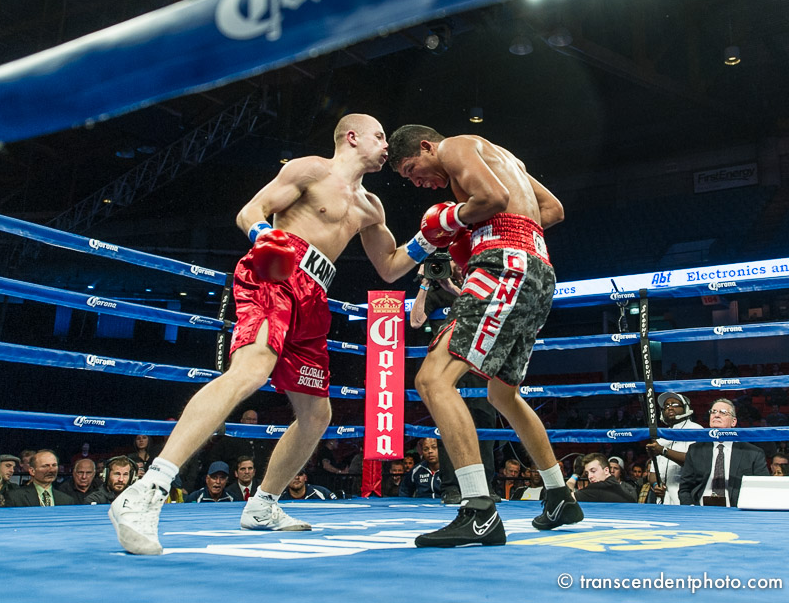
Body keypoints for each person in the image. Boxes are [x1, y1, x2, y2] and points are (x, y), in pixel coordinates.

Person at [110, 114, 427, 555]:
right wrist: (265, 236)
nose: (387, 145)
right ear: (352, 137)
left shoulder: (371, 207)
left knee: (316, 415)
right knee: (251, 370)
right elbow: (249, 212)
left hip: (314, 296)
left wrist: (432, 237)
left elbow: (390, 267)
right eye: (379, 135)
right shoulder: (311, 169)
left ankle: (262, 505)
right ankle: (148, 488)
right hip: (275, 274)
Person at [387, 126, 582, 547]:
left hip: (504, 266)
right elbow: (551, 210)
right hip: (536, 269)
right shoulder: (504, 156)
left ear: (426, 146)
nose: (417, 182)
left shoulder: (455, 146)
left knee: (432, 380)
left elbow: (492, 198)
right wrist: (478, 236)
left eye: (411, 170)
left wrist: (458, 224)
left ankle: (478, 510)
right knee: (502, 394)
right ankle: (559, 496)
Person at [410, 258, 499, 504]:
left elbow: (486, 312)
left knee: (484, 423)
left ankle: (485, 486)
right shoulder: (435, 293)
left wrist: (452, 288)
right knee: (448, 424)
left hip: (477, 363)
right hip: (446, 366)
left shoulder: (479, 286)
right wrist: (425, 283)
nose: (455, 267)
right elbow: (416, 321)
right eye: (450, 263)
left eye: (458, 262)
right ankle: (451, 487)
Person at [678, 399, 769, 506]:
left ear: (733, 422)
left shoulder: (753, 453)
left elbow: (762, 488)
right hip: (701, 509)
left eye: (723, 412)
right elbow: (685, 488)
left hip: (736, 510)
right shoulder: (695, 450)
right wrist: (691, 508)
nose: (716, 415)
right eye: (713, 412)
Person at [645, 392, 703, 505]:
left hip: (688, 498)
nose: (670, 407)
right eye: (666, 405)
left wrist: (663, 451)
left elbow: (694, 462)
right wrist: (655, 485)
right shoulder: (661, 436)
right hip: (663, 501)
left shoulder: (696, 430)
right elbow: (653, 473)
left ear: (685, 408)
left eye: (675, 404)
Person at [6, 450, 73, 507]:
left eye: (54, 465)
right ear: (32, 471)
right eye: (45, 466)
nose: (51, 470)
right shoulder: (15, 497)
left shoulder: (67, 500)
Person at [564, 453, 636, 503]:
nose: (589, 476)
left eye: (593, 471)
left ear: (606, 470)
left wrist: (575, 475)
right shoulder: (616, 486)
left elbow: (564, 497)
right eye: (587, 473)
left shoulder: (596, 489)